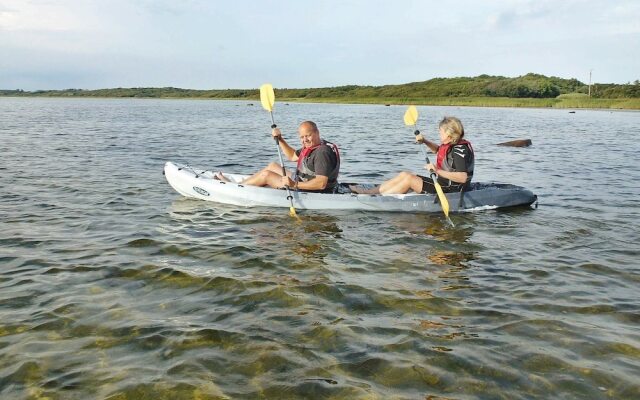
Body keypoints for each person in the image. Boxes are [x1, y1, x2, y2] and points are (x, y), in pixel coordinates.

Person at [351, 116, 474, 195]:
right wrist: (425, 141)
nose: (439, 134)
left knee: (409, 180)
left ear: (449, 133)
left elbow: (462, 177)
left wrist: (436, 170)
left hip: (452, 190)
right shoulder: (450, 143)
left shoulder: (459, 150)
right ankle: (371, 193)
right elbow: (439, 151)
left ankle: (380, 199)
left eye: (440, 132)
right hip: (442, 183)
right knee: (405, 174)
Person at [216, 121, 340, 193]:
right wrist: (280, 139)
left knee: (267, 175)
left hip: (314, 190)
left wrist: (294, 184)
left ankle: (235, 189)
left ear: (317, 133)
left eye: (308, 136)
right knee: (273, 166)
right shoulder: (313, 146)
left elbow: (321, 184)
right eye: (301, 137)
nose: (304, 140)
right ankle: (243, 184)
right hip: (302, 180)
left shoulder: (322, 152)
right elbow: (292, 156)